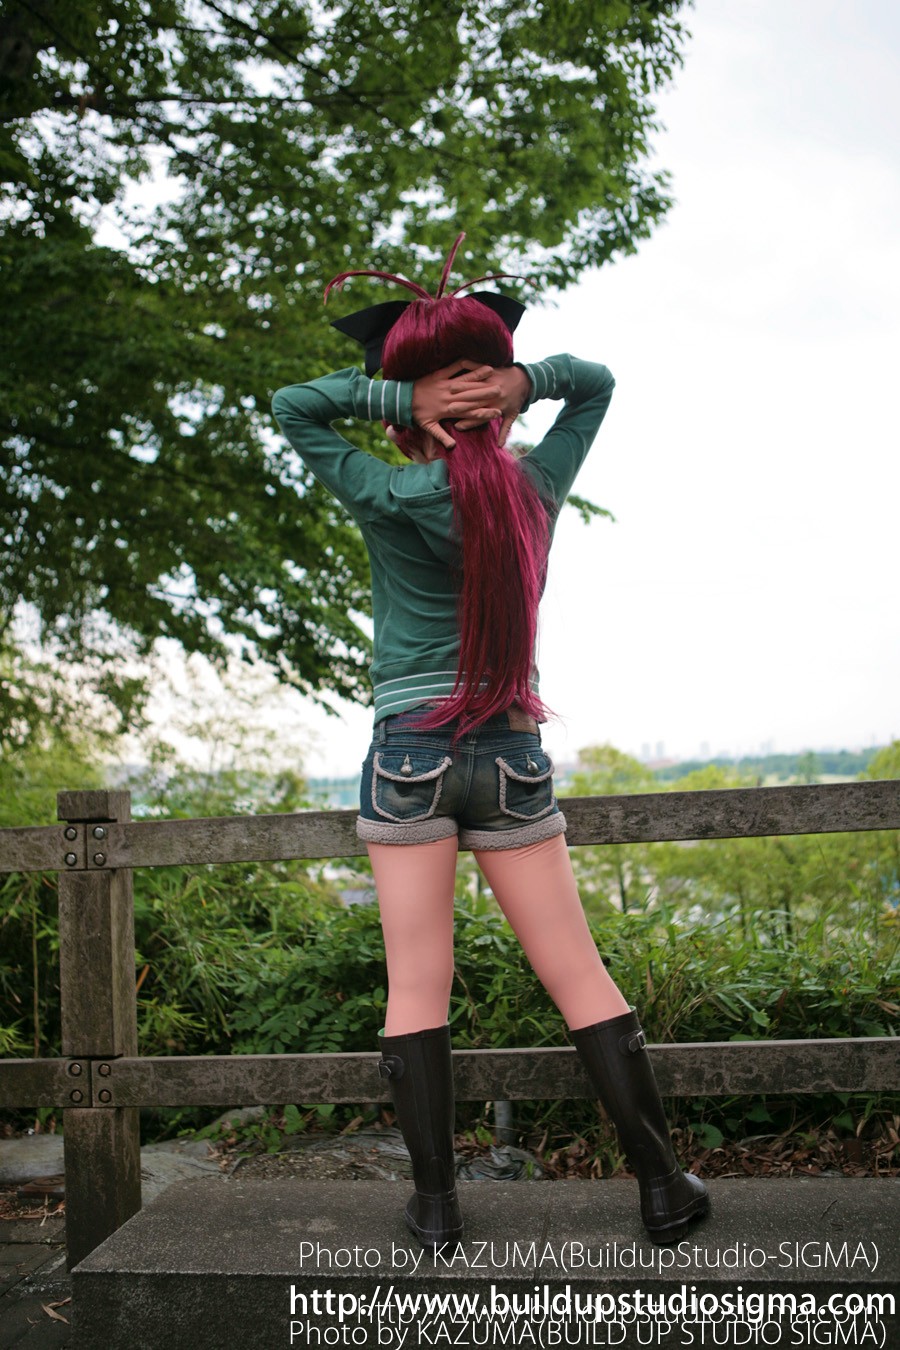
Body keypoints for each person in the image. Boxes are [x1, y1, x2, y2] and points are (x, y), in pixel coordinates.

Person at [272, 234, 708, 1252]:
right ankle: (661, 1187)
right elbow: (595, 384)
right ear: (504, 412)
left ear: (411, 415)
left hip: (409, 756)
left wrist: (404, 396)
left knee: (416, 985)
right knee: (580, 974)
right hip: (512, 754)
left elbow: (295, 404)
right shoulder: (537, 487)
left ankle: (435, 1209)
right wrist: (523, 382)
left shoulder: (386, 492)